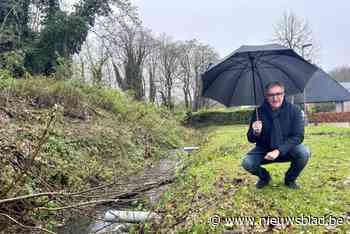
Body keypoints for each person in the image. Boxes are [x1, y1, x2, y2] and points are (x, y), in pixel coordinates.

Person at [241, 81, 311, 189]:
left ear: (284, 94)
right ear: (266, 96)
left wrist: (278, 150)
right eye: (271, 95)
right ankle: (264, 177)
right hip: (264, 150)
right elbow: (250, 138)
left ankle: (290, 179)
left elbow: (298, 136)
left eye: (278, 94)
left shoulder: (294, 111)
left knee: (304, 153)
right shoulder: (258, 112)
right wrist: (256, 132)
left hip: (287, 149)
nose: (275, 98)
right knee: (247, 163)